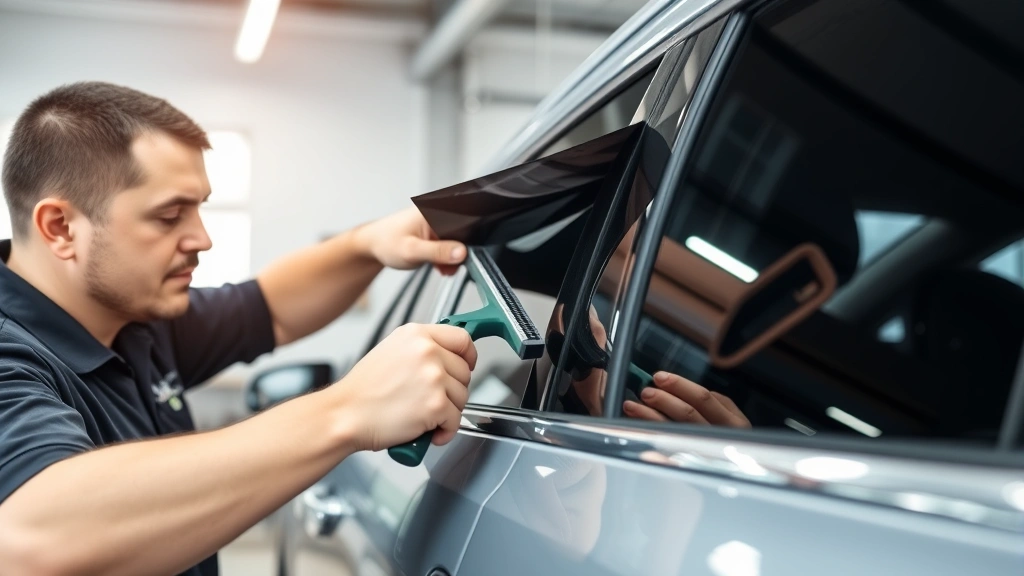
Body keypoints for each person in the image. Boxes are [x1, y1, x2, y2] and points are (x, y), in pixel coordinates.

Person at [0, 82, 477, 576]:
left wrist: (366, 244)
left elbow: (271, 307)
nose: (202, 238)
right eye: (169, 216)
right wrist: (349, 409)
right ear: (60, 227)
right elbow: (34, 538)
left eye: (200, 208)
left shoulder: (134, 320)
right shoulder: (11, 351)